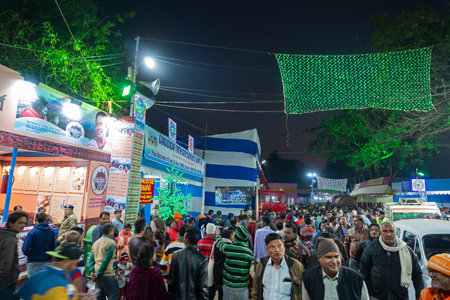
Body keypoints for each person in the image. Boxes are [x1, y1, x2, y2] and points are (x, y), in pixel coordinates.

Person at [360, 221, 424, 300]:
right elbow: (364, 272)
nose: (388, 234)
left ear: (395, 232)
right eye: (385, 231)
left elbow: (417, 276)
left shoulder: (407, 250)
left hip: (400, 296)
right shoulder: (371, 248)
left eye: (391, 231)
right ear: (380, 232)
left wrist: (420, 297)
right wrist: (364, 294)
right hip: (376, 296)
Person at [302, 238, 370, 300]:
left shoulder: (355, 278)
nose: (334, 261)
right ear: (319, 259)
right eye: (328, 257)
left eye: (336, 257)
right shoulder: (309, 278)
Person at [16, 243, 85, 300]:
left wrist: (75, 296)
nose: (76, 267)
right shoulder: (60, 286)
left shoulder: (40, 272)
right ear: (66, 261)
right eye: (76, 263)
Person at [251, 233, 303, 300]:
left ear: (283, 247)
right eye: (272, 247)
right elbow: (255, 291)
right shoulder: (261, 265)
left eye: (279, 246)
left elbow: (302, 292)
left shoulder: (296, 266)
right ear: (267, 250)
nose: (277, 250)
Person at [168, 227, 208, 300]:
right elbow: (203, 287)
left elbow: (171, 281)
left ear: (186, 239)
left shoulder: (176, 255)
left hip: (177, 297)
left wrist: (170, 295)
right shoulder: (202, 259)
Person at [215, 225, 253, 300]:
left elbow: (219, 243)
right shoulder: (249, 253)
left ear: (236, 236)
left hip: (228, 287)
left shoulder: (228, 248)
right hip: (242, 289)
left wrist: (218, 235)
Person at [88, 222, 119, 300]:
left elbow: (91, 260)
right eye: (113, 231)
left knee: (100, 297)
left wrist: (93, 273)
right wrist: (98, 274)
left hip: (97, 275)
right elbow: (106, 261)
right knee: (113, 297)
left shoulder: (95, 243)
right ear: (111, 231)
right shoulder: (111, 243)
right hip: (108, 274)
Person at [0, 211, 28, 293]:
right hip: (6, 283)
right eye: (20, 223)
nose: (23, 226)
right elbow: (6, 265)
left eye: (25, 223)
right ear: (10, 223)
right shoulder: (10, 240)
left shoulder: (3, 235)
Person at [22, 212, 56, 277]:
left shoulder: (32, 232)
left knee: (32, 283)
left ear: (36, 220)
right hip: (46, 261)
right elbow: (52, 247)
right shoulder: (51, 231)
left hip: (33, 261)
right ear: (46, 219)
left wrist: (31, 254)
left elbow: (25, 249)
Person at [211, 227, 234, 300]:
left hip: (217, 274)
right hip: (226, 276)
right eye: (233, 234)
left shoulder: (217, 244)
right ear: (230, 235)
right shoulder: (230, 246)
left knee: (220, 294)